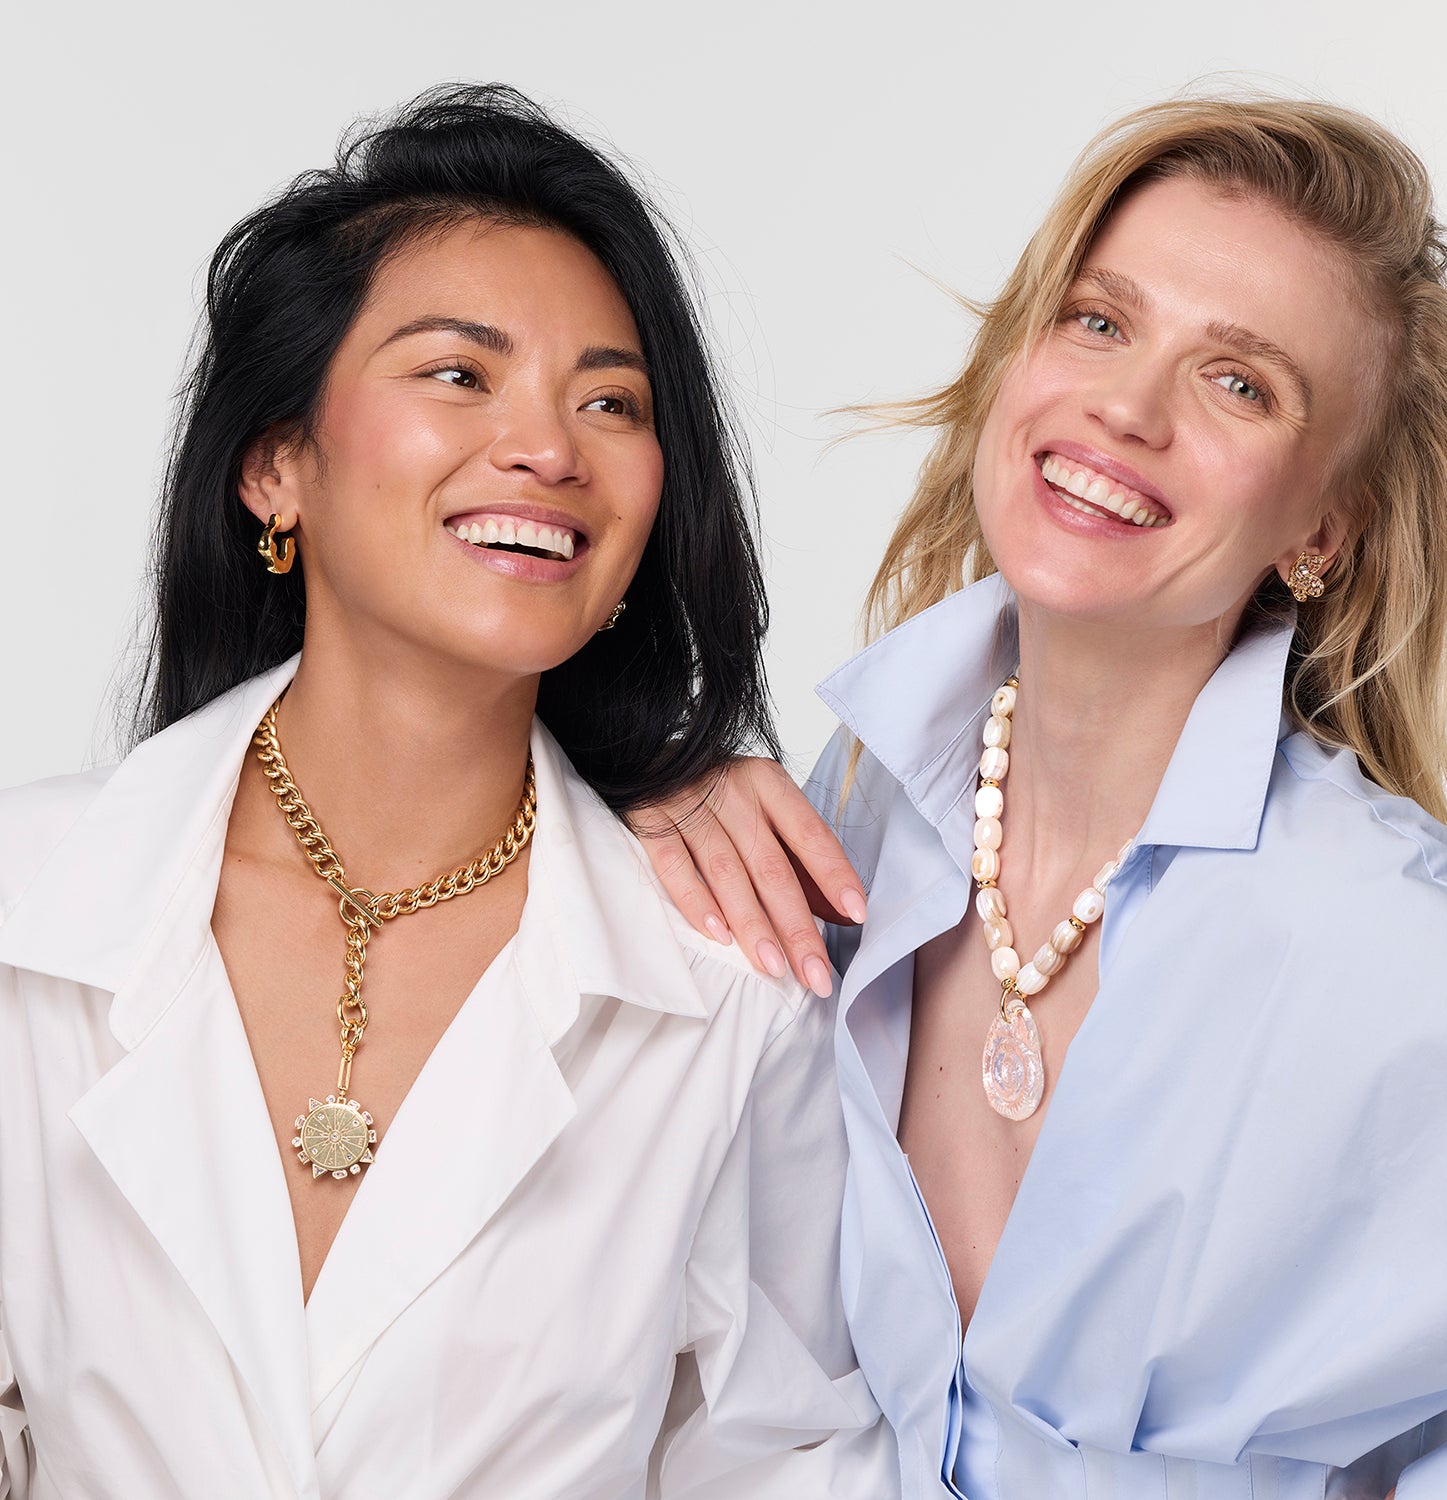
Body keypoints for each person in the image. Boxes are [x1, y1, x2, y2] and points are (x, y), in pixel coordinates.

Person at [0, 84, 894, 1500]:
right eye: (459, 375)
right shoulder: (30, 909)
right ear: (277, 465)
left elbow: (784, 1467)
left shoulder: (728, 994)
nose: (549, 447)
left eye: (612, 401)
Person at [641, 95, 1447, 1498]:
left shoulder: (1410, 955)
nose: (1126, 405)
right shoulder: (846, 809)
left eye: (1242, 383)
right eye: (1100, 321)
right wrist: (638, 803)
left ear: (1321, 530)